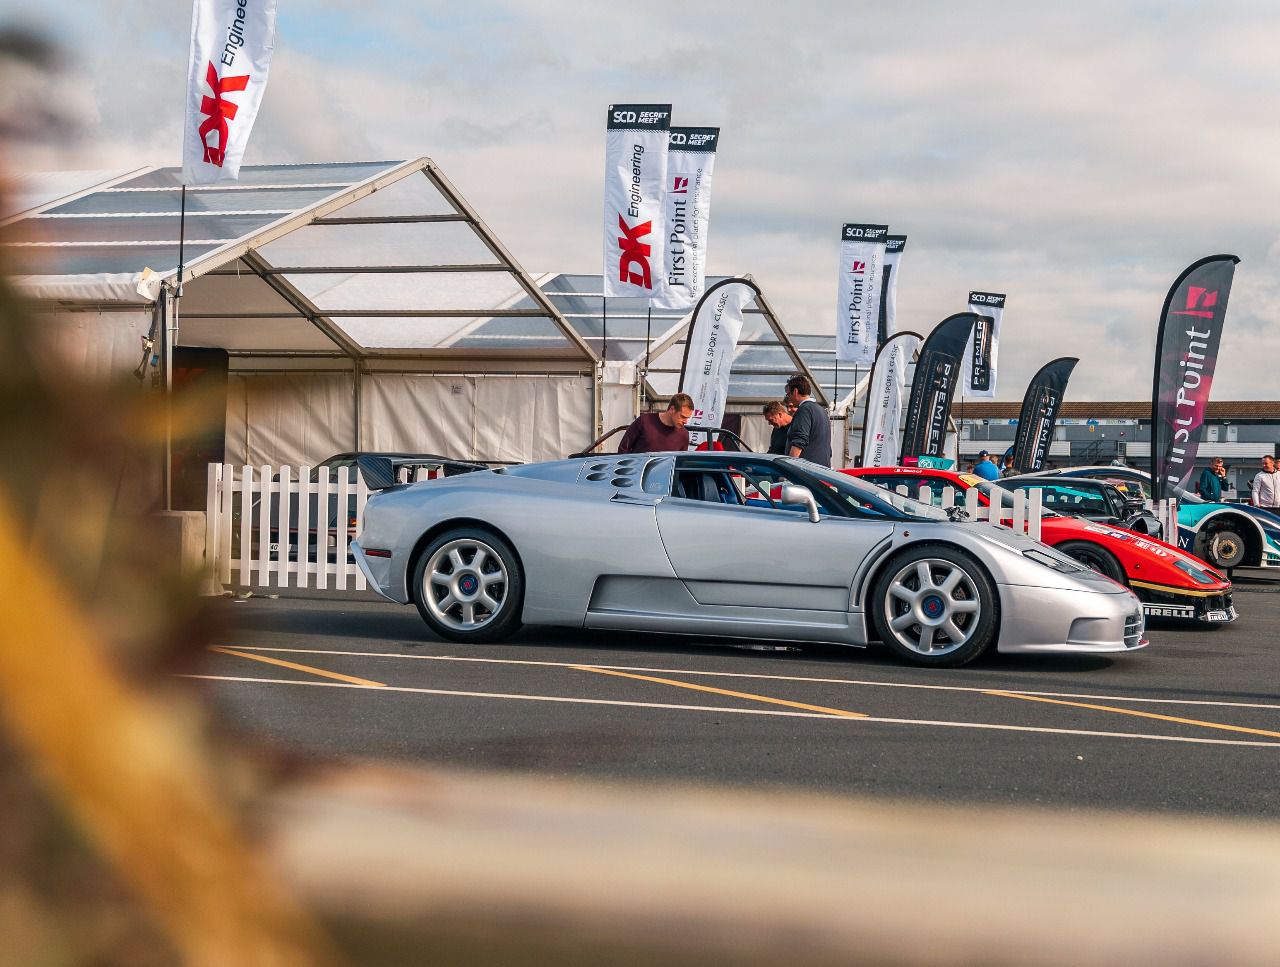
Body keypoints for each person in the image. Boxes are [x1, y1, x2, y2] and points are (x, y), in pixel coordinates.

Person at [782, 374, 832, 467]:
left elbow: (799, 441)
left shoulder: (804, 410)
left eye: (789, 394)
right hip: (823, 469)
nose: (789, 397)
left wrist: (789, 467)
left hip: (807, 471)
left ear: (796, 391)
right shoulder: (821, 410)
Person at [618, 393, 694, 453]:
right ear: (672, 409)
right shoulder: (644, 421)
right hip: (638, 471)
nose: (686, 422)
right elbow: (623, 449)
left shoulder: (684, 435)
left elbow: (680, 464)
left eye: (688, 418)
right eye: (683, 417)